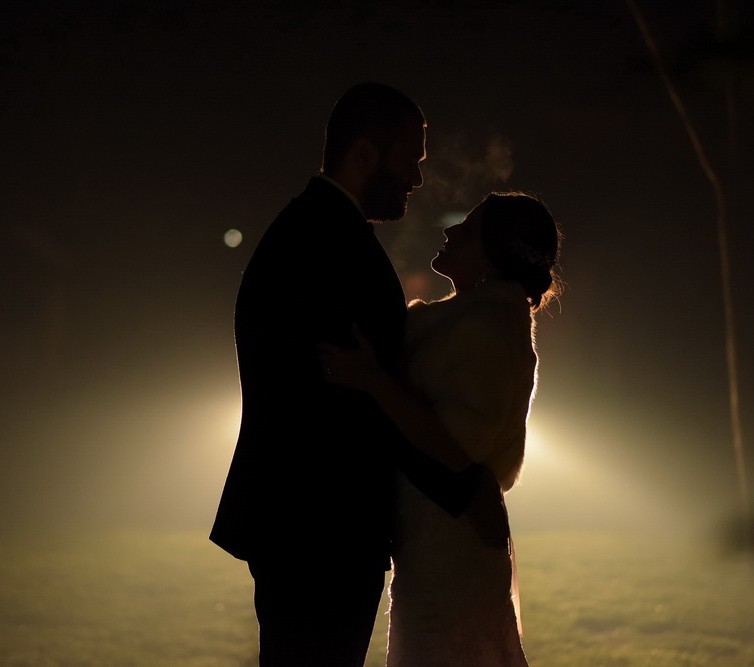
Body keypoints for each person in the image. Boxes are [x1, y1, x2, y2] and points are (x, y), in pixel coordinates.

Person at [209, 82, 482, 666]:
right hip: (320, 523)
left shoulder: (315, 229)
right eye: (409, 160)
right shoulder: (329, 246)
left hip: (302, 517)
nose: (416, 178)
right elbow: (363, 398)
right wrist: (465, 489)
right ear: (364, 154)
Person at [319, 192, 561, 665]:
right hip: (435, 535)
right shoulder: (463, 321)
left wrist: (371, 380)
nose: (449, 231)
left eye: (467, 231)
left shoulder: (487, 329)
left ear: (495, 255)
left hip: (451, 544)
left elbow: (455, 449)